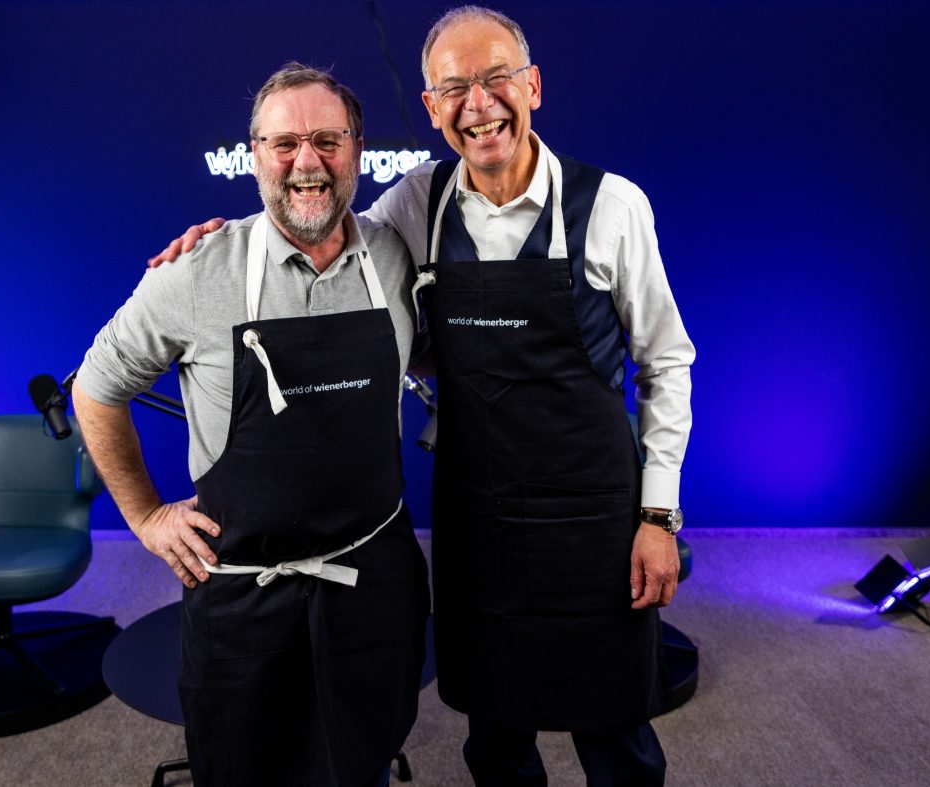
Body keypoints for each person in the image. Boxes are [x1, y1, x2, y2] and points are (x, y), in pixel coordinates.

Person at [153, 7, 694, 785]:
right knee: (496, 730)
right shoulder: (416, 203)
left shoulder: (611, 206)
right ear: (432, 108)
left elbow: (665, 362)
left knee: (615, 728)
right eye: (454, 89)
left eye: (496, 78)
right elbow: (321, 233)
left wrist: (657, 515)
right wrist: (222, 242)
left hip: (595, 517)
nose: (479, 104)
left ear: (533, 87)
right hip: (477, 518)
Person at [73, 62, 429, 787]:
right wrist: (145, 516)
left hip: (373, 578)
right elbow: (96, 387)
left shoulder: (395, 256)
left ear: (357, 149)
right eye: (284, 144)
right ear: (255, 155)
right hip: (242, 595)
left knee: (363, 754)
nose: (307, 163)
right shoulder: (195, 271)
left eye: (327, 140)